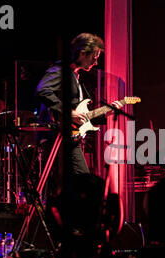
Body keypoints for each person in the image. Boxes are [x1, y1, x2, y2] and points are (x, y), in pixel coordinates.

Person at [36, 32, 122, 176]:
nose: (95, 63)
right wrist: (68, 112)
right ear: (82, 54)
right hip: (59, 137)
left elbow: (80, 116)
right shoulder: (60, 71)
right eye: (94, 58)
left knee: (78, 185)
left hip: (70, 137)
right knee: (83, 182)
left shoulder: (75, 76)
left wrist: (106, 114)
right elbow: (43, 90)